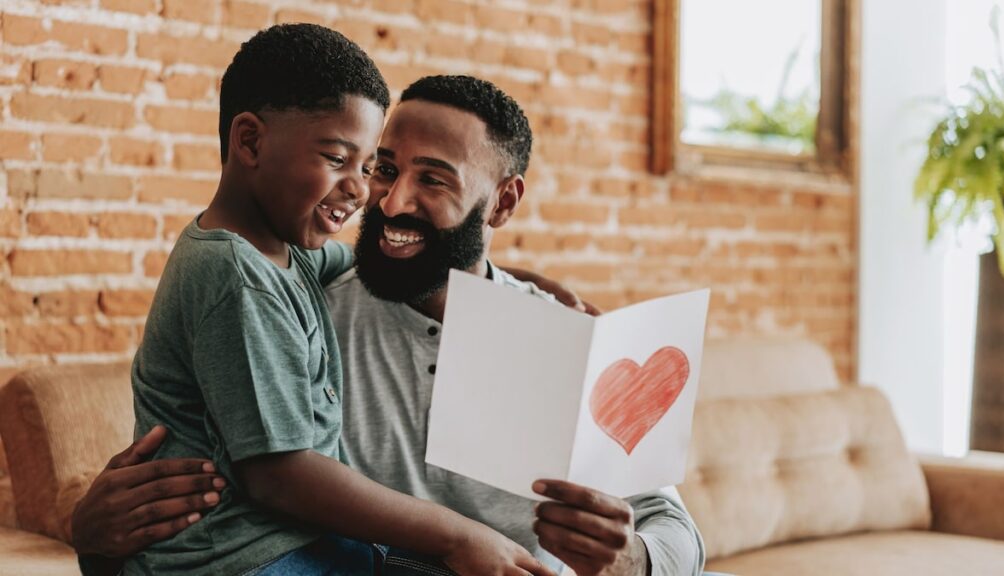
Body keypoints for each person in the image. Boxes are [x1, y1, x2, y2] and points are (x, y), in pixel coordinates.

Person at [71, 73, 707, 575]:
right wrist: (91, 534)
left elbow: (675, 530)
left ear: (503, 202)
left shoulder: (568, 340)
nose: (392, 200)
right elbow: (213, 476)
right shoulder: (305, 311)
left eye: (433, 179)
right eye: (386, 168)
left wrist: (631, 560)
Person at [112, 23, 555, 576]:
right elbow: (279, 475)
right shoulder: (238, 278)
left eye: (366, 167)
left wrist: (523, 284)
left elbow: (388, 259)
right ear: (250, 142)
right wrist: (458, 536)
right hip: (242, 557)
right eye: (340, 159)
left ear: (503, 203)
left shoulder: (285, 256)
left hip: (293, 545)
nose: (368, 192)